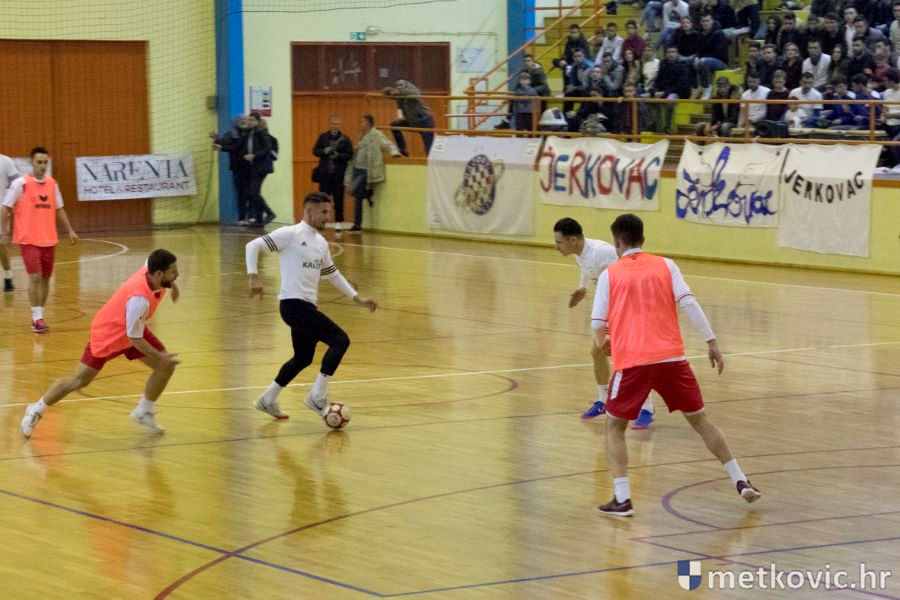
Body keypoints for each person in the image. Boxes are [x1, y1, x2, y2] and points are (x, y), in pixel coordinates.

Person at [591, 214, 761, 516]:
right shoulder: (666, 265)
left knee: (614, 427)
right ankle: (740, 479)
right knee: (700, 420)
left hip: (633, 362)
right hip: (671, 358)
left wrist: (603, 342)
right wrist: (711, 341)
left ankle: (622, 498)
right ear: (643, 239)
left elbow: (597, 322)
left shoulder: (610, 274)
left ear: (616, 242)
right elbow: (689, 302)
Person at [20, 249, 181, 438]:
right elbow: (134, 339)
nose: (177, 274)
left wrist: (173, 285)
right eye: (173, 272)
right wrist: (159, 357)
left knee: (165, 366)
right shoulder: (139, 299)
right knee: (78, 381)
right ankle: (35, 410)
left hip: (132, 328)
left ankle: (144, 411)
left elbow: (134, 334)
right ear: (159, 274)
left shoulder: (151, 269)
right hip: (108, 334)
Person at [246, 192, 378, 420]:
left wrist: (356, 297)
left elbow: (332, 274)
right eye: (324, 212)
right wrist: (253, 275)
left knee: (303, 358)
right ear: (309, 212)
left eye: (329, 211)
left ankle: (267, 400)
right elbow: (252, 245)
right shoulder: (290, 234)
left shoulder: (321, 243)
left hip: (305, 307)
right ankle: (317, 397)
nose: (328, 216)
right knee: (340, 340)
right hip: (293, 305)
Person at [553, 218, 655, 428]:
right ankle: (604, 400)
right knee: (598, 352)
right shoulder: (580, 254)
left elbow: (630, 266)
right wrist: (582, 288)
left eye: (559, 242)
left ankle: (646, 407)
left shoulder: (602, 251)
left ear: (573, 240)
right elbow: (586, 270)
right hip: (608, 308)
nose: (556, 246)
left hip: (626, 307)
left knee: (630, 356)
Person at [1, 147, 77, 333]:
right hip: (28, 239)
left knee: (45, 278)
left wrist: (70, 230)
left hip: (49, 239)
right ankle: (37, 318)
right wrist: (5, 232)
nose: (43, 166)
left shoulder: (52, 184)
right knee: (35, 276)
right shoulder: (21, 183)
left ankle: (39, 314)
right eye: (39, 162)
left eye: (45, 163)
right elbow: (5, 208)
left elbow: (59, 208)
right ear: (31, 163)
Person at [345, 115, 401, 232]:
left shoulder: (376, 135)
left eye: (363, 121)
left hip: (366, 170)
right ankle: (368, 194)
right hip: (357, 168)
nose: (361, 124)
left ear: (368, 123)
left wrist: (394, 152)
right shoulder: (361, 136)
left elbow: (387, 144)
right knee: (355, 194)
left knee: (354, 192)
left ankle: (357, 224)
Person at [312, 117, 354, 229]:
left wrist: (338, 155)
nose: (335, 126)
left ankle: (339, 224)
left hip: (338, 175)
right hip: (325, 175)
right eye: (333, 124)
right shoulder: (323, 137)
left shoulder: (345, 139)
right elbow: (315, 151)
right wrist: (324, 151)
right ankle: (321, 222)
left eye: (337, 124)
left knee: (339, 200)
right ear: (329, 125)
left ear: (340, 126)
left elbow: (350, 155)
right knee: (322, 200)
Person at [211, 115, 251, 225]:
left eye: (245, 120)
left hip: (250, 168)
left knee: (250, 194)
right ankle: (242, 218)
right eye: (241, 120)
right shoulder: (232, 133)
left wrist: (222, 148)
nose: (243, 122)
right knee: (241, 193)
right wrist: (217, 139)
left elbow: (237, 147)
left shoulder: (250, 134)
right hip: (237, 167)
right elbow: (223, 142)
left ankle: (251, 217)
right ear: (236, 122)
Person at [383, 79, 435, 156]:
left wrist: (400, 91)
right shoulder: (399, 95)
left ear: (406, 85)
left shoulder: (411, 91)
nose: (399, 87)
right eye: (397, 85)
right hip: (412, 121)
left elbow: (416, 93)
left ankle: (432, 160)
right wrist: (390, 90)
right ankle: (403, 150)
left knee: (428, 148)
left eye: (401, 85)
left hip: (425, 122)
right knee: (394, 125)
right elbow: (386, 92)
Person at [242, 111, 275, 226]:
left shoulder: (262, 132)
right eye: (248, 120)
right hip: (254, 166)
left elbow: (267, 148)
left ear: (257, 121)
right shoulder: (250, 132)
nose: (249, 122)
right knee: (254, 192)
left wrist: (254, 155)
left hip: (262, 166)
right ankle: (259, 219)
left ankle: (269, 213)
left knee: (253, 192)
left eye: (252, 120)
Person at [653, 46, 692, 133]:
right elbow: (657, 81)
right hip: (663, 91)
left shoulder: (683, 66)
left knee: (670, 101)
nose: (671, 54)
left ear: (677, 54)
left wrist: (664, 93)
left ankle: (668, 127)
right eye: (669, 52)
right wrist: (655, 91)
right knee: (643, 98)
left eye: (673, 52)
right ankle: (652, 128)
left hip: (679, 92)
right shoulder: (663, 65)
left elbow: (681, 85)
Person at [0, 152, 19, 292]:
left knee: (2, 246)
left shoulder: (6, 161)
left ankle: (7, 276)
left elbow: (17, 186)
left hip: (1, 209)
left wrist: (10, 206)